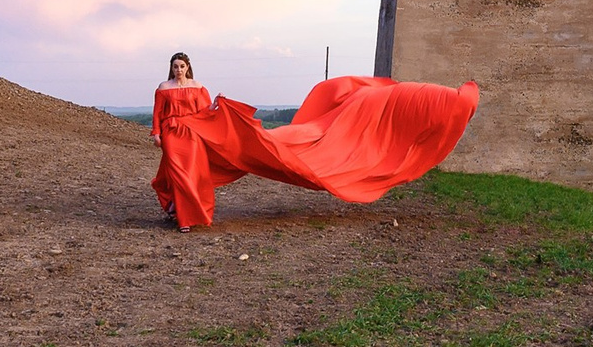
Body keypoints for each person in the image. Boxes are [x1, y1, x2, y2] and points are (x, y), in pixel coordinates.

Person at [149, 52, 480, 230]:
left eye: (182, 66)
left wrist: (218, 116)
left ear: (188, 67)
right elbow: (157, 114)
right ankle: (179, 210)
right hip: (174, 134)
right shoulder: (163, 89)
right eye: (175, 66)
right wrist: (157, 134)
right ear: (171, 68)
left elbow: (205, 111)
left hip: (195, 132)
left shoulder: (199, 87)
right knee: (179, 171)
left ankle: (183, 213)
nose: (178, 70)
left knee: (195, 169)